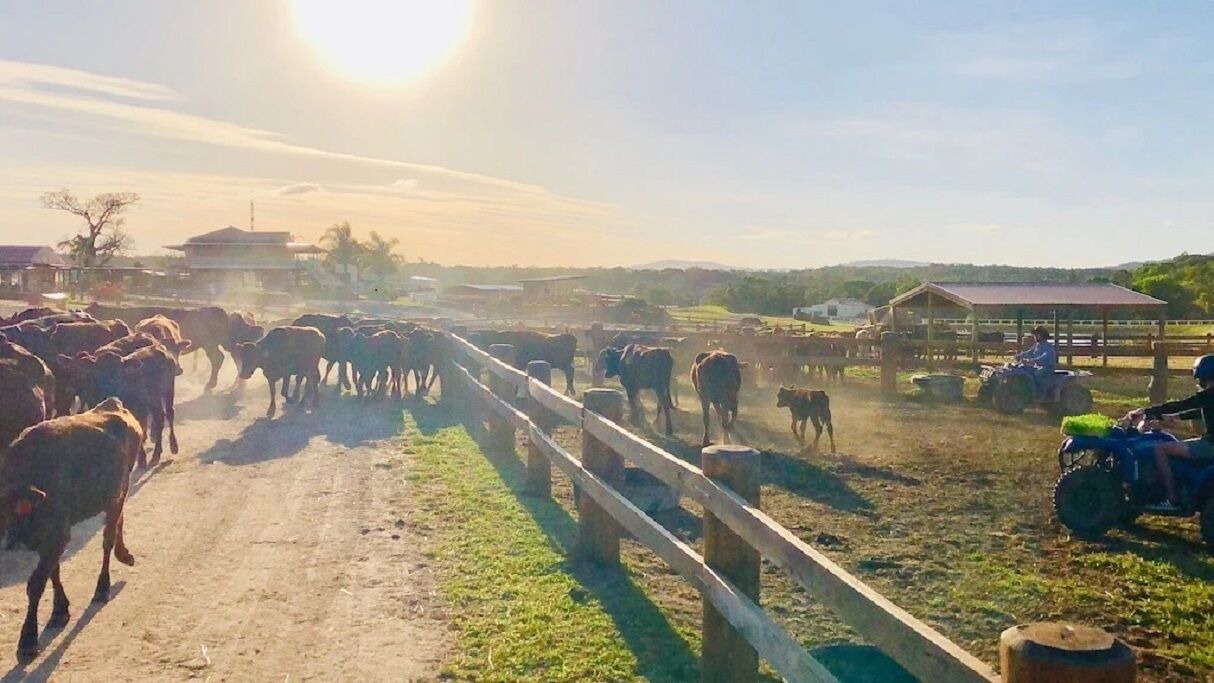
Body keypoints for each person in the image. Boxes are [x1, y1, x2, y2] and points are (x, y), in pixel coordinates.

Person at [1127, 354, 1214, 513]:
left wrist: (1147, 411)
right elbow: (1203, 410)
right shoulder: (1209, 398)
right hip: (1209, 443)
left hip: (1210, 445)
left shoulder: (1209, 394)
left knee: (1161, 448)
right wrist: (1178, 417)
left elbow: (1182, 404)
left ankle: (1171, 497)